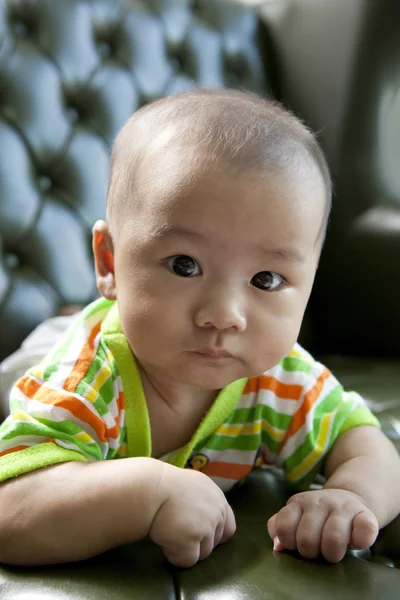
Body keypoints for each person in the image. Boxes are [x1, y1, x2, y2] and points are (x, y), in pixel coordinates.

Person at [0, 89, 399, 568]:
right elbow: (11, 510)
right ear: (108, 260)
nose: (225, 315)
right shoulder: (84, 381)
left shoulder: (278, 379)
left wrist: (350, 496)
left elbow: (364, 442)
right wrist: (144, 493)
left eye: (266, 280)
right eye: (185, 265)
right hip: (43, 360)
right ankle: (66, 320)